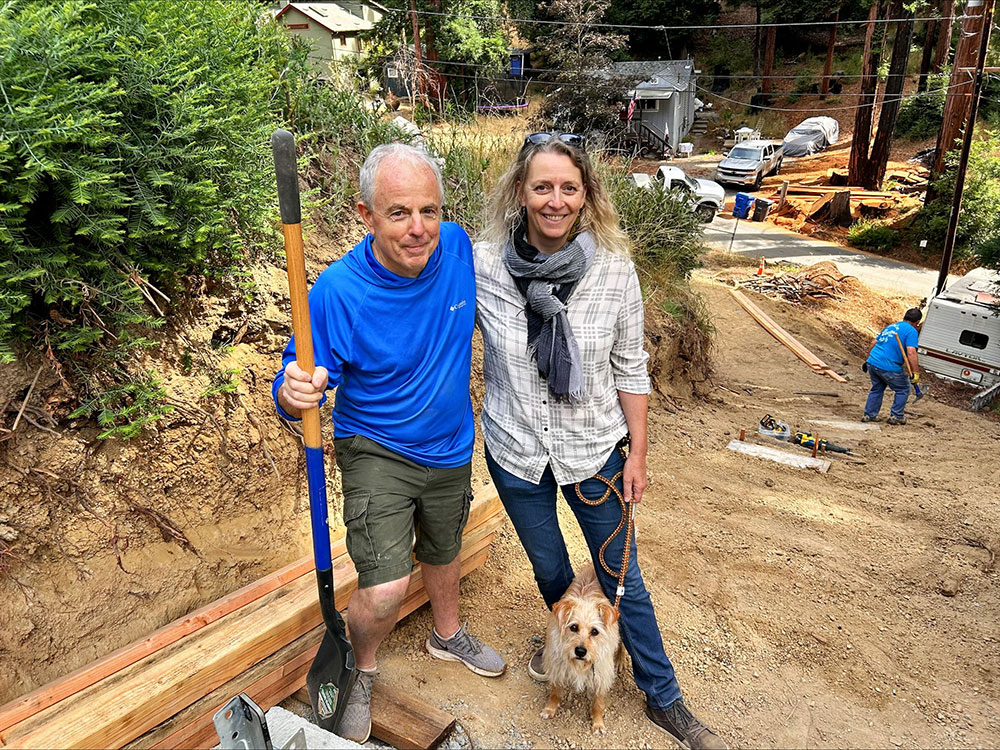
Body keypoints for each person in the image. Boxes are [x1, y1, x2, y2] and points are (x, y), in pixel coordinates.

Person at [473, 132, 727, 750]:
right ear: (520, 192)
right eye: (542, 186)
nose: (555, 200)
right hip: (515, 451)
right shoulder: (482, 266)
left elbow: (630, 368)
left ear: (586, 195)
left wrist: (638, 453)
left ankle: (665, 698)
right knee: (552, 572)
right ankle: (569, 640)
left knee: (622, 578)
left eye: (569, 187)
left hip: (595, 453)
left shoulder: (614, 270)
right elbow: (423, 300)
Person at [272, 143, 505, 743]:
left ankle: (447, 635)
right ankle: (362, 668)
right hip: (376, 447)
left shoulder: (457, 248)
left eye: (429, 210)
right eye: (399, 212)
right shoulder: (337, 292)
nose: (418, 228)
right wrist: (292, 392)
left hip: (451, 444)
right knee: (384, 588)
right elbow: (294, 380)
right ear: (365, 215)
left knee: (445, 547)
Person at [862, 307, 922, 425]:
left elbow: (873, 343)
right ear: (917, 322)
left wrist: (867, 360)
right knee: (903, 388)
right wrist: (916, 372)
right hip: (888, 366)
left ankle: (869, 414)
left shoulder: (891, 326)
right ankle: (896, 416)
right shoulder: (912, 331)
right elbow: (911, 352)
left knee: (877, 388)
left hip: (873, 362)